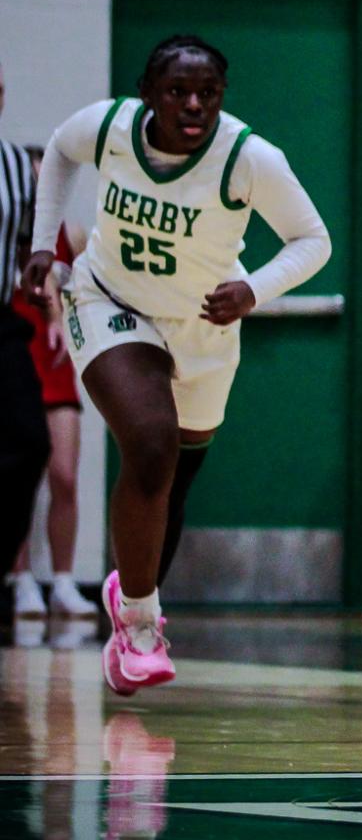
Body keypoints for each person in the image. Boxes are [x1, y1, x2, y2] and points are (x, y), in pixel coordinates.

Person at [23, 35, 332, 694]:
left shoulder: (250, 158)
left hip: (202, 326)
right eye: (177, 92)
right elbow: (58, 150)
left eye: (208, 94)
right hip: (108, 301)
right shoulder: (108, 127)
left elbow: (314, 240)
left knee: (175, 479)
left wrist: (256, 289)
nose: (193, 105)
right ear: (147, 95)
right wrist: (44, 243)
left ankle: (128, 591)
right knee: (150, 442)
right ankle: (139, 622)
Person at [8, 217, 90, 621]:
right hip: (16, 355)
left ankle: (63, 581)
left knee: (65, 476)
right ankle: (19, 578)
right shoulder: (9, 228)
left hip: (55, 359)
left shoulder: (71, 233)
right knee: (15, 477)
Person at [1, 64, 50, 609]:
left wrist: (55, 315)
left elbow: (28, 247)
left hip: (3, 318)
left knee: (31, 441)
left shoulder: (17, 166)